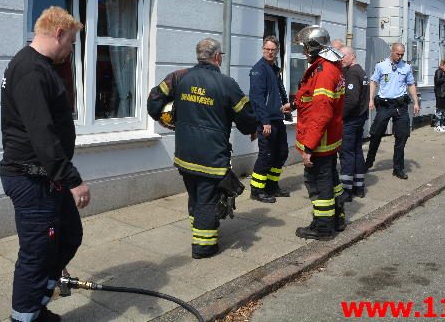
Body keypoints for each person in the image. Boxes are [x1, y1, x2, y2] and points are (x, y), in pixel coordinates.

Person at [0, 6, 89, 322]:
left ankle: (37, 302)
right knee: (37, 252)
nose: (70, 50)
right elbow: (42, 132)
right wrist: (72, 178)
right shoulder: (30, 70)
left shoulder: (40, 67)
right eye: (71, 43)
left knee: (68, 236)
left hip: (48, 178)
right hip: (32, 179)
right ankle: (25, 317)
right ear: (59, 33)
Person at [147, 38, 257, 259]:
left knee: (195, 195)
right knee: (207, 200)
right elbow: (246, 118)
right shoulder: (226, 84)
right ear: (217, 57)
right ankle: (203, 247)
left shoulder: (179, 77)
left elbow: (153, 102)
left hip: (185, 155)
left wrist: (163, 118)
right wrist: (253, 128)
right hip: (211, 156)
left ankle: (199, 230)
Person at [293, 26, 346, 239]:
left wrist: (308, 147)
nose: (304, 53)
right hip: (329, 139)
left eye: (306, 48)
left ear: (315, 48)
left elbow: (321, 112)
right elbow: (311, 96)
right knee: (332, 181)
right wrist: (294, 104)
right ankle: (337, 218)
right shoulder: (328, 67)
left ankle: (322, 227)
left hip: (319, 141)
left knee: (318, 183)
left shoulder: (323, 72)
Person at [365, 42, 420, 180]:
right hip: (384, 105)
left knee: (402, 136)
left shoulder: (406, 67)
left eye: (402, 54)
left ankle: (398, 168)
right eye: (398, 54)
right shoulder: (381, 65)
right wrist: (371, 99)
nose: (400, 57)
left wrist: (416, 102)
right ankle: (369, 162)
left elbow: (411, 84)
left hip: (400, 106)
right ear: (392, 51)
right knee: (376, 134)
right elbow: (373, 82)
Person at [248, 36, 292, 203]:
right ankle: (257, 190)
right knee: (266, 155)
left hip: (277, 119)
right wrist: (264, 121)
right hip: (266, 122)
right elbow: (257, 98)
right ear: (263, 49)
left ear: (277, 51)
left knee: (281, 153)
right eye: (267, 49)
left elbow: (278, 93)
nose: (270, 52)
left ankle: (272, 186)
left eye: (273, 50)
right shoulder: (259, 69)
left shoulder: (273, 68)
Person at [338, 46, 370, 201]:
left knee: (347, 153)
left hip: (350, 120)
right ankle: (359, 186)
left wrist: (340, 117)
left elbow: (351, 100)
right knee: (357, 152)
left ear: (352, 56)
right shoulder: (361, 72)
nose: (341, 59)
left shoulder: (352, 73)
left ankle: (347, 190)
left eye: (344, 56)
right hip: (360, 118)